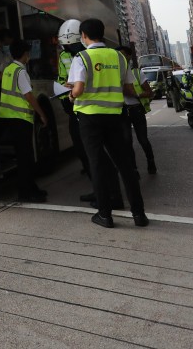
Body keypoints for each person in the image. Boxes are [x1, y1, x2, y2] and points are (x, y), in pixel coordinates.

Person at [68, 19, 148, 229]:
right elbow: (129, 89)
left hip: (89, 117)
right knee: (125, 165)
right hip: (116, 116)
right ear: (102, 34)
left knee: (97, 164)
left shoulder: (81, 57)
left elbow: (78, 90)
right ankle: (139, 214)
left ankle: (105, 215)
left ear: (84, 35)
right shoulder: (119, 57)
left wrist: (71, 95)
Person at [0, 40, 50, 203]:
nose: (29, 56)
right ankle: (26, 193)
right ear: (25, 54)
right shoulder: (21, 72)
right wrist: (41, 114)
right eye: (28, 53)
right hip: (21, 119)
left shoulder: (8, 69)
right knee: (25, 157)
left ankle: (31, 188)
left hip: (9, 118)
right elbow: (28, 96)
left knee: (23, 156)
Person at [57, 19, 90, 178]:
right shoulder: (63, 56)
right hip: (73, 103)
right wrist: (63, 92)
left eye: (72, 45)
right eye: (66, 45)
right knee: (77, 142)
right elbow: (62, 77)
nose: (69, 48)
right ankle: (87, 166)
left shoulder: (87, 54)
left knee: (92, 143)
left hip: (86, 103)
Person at [118, 46, 156, 176]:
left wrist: (135, 94)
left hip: (136, 110)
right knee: (126, 142)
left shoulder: (137, 73)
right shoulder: (114, 74)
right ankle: (133, 170)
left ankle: (151, 162)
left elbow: (149, 93)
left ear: (129, 57)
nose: (120, 58)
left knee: (143, 140)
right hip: (122, 112)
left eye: (123, 55)